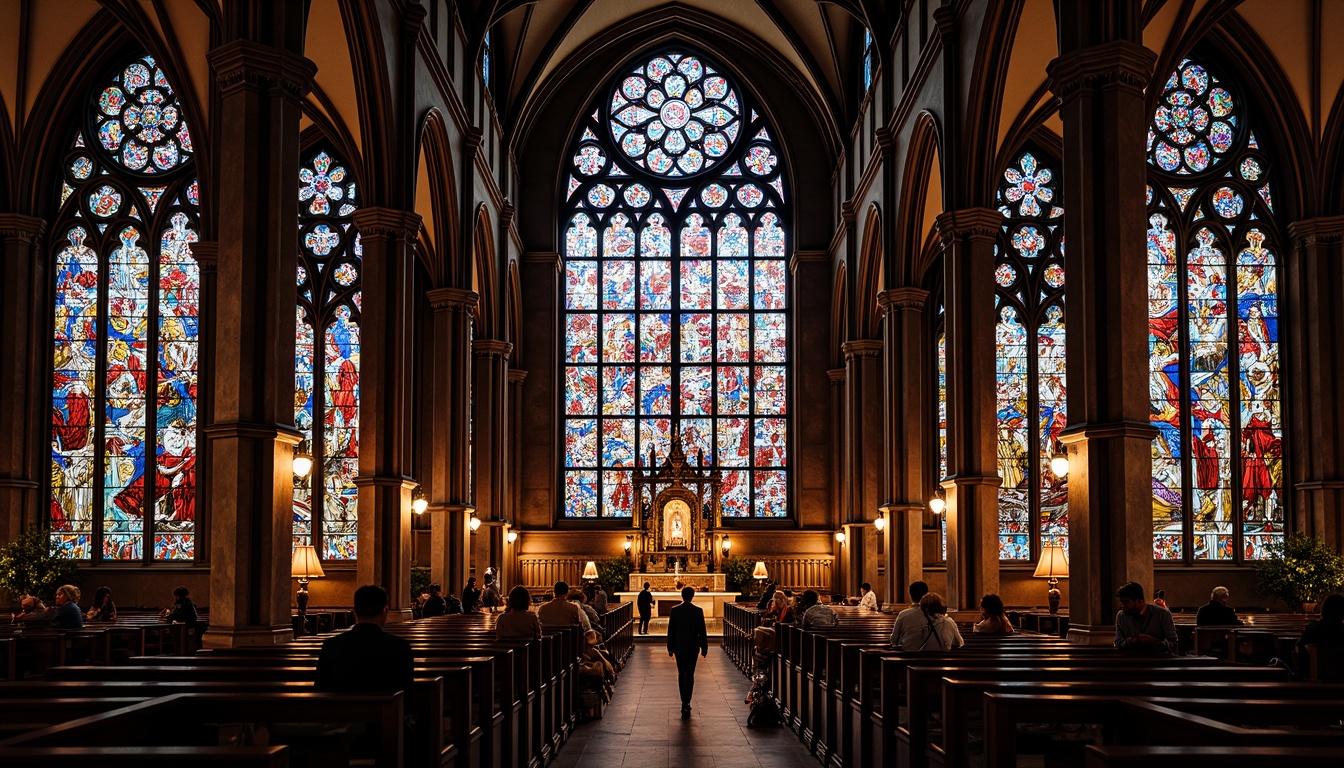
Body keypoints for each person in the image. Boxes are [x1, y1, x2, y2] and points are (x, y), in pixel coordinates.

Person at [315, 584, 414, 693]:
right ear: (385, 611)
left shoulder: (331, 646)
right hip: (385, 710)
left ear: (355, 612)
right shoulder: (400, 647)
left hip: (340, 710)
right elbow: (407, 692)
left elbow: (320, 689)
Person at [666, 586, 708, 718]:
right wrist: (704, 647)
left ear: (682, 595)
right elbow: (702, 631)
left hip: (679, 645)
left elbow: (671, 630)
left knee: (681, 673)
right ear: (693, 596)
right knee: (690, 674)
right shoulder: (698, 611)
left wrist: (670, 647)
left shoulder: (675, 610)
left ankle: (683, 700)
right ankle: (687, 701)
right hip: (692, 646)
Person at [1114, 581, 1178, 656]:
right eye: (1121, 602)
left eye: (1125, 602)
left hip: (1158, 660)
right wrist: (1131, 641)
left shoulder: (1162, 614)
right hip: (1131, 660)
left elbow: (1173, 643)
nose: (1122, 605)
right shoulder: (1122, 616)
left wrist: (1155, 642)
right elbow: (1118, 643)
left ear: (1139, 601)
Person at [889, 580, 931, 649]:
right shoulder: (933, 613)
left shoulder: (903, 614)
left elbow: (894, 639)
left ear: (910, 595)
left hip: (906, 653)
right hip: (929, 654)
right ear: (926, 594)